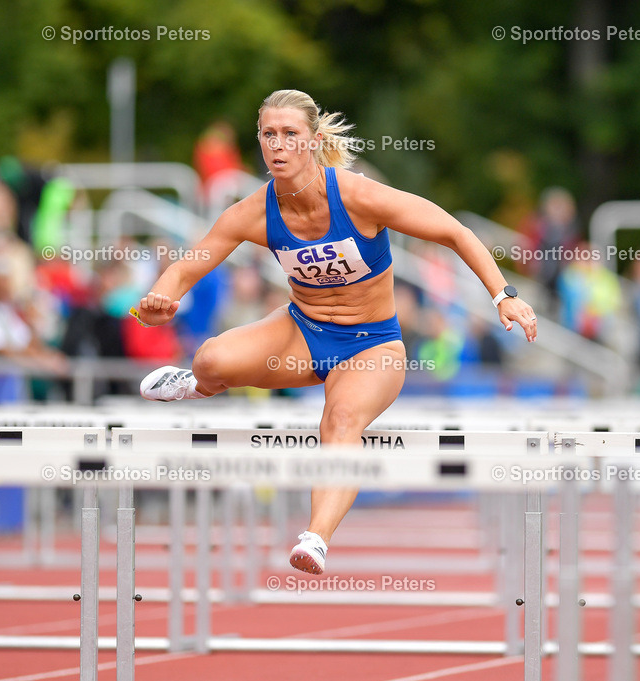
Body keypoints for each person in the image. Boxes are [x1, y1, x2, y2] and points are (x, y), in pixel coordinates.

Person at [134, 90, 537, 574]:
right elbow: (187, 267)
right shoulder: (254, 213)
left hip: (372, 345)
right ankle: (196, 385)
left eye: (290, 134)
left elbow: (454, 230)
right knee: (210, 359)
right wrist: (159, 299)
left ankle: (316, 537)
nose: (278, 145)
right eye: (268, 134)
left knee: (341, 418)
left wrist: (503, 294)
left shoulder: (358, 197)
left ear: (314, 141)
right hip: (302, 332)